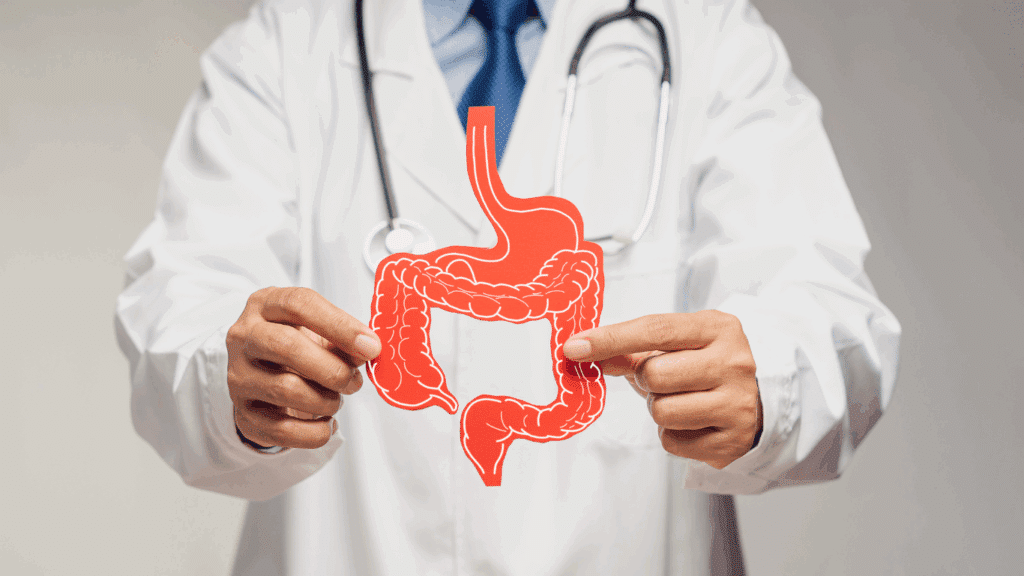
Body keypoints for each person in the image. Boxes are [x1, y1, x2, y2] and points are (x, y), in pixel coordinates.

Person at [115, 0, 901, 573]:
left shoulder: (709, 39)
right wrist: (235, 374)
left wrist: (769, 376)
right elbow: (178, 311)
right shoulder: (285, 46)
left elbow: (830, 315)